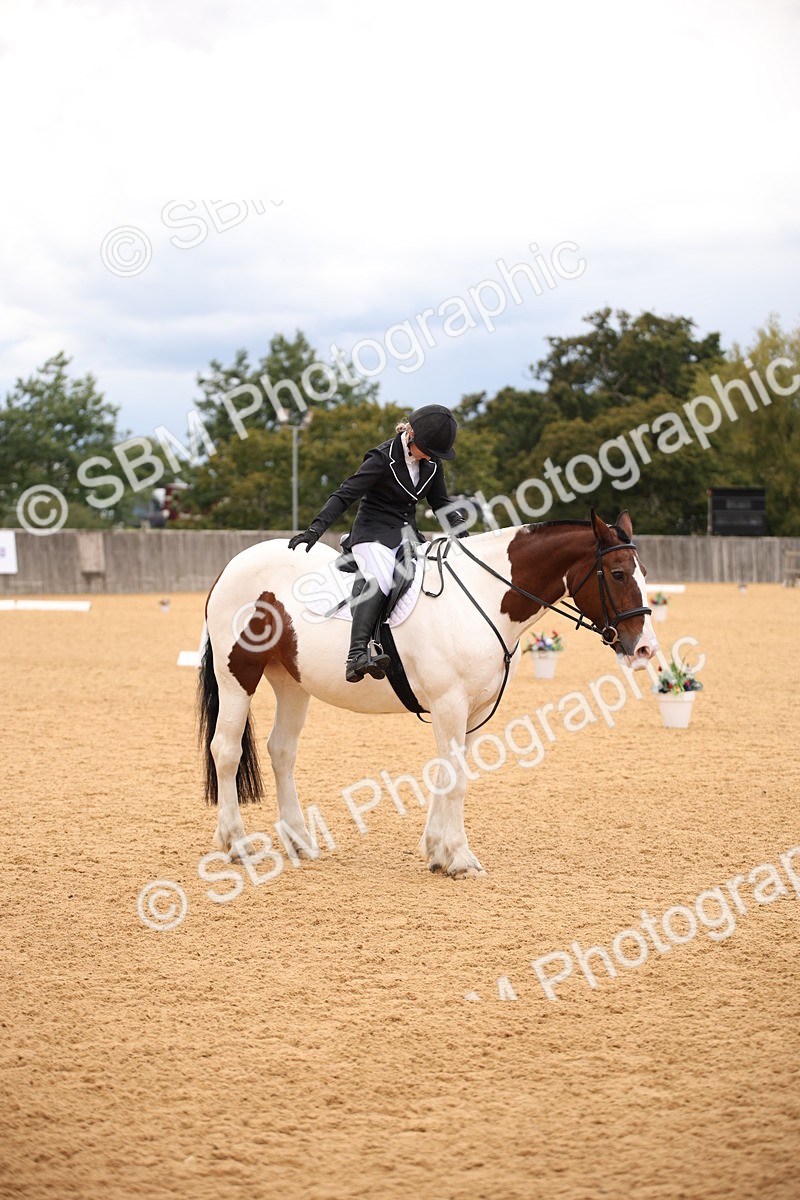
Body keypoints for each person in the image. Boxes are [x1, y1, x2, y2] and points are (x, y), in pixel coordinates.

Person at [288, 403, 466, 683]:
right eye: (428, 451)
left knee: (432, 575)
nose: (431, 457)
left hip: (408, 537)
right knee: (380, 578)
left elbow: (441, 503)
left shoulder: (431, 463)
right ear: (412, 435)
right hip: (372, 534)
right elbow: (345, 495)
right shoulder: (382, 458)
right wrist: (315, 529)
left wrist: (462, 532)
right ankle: (356, 654)